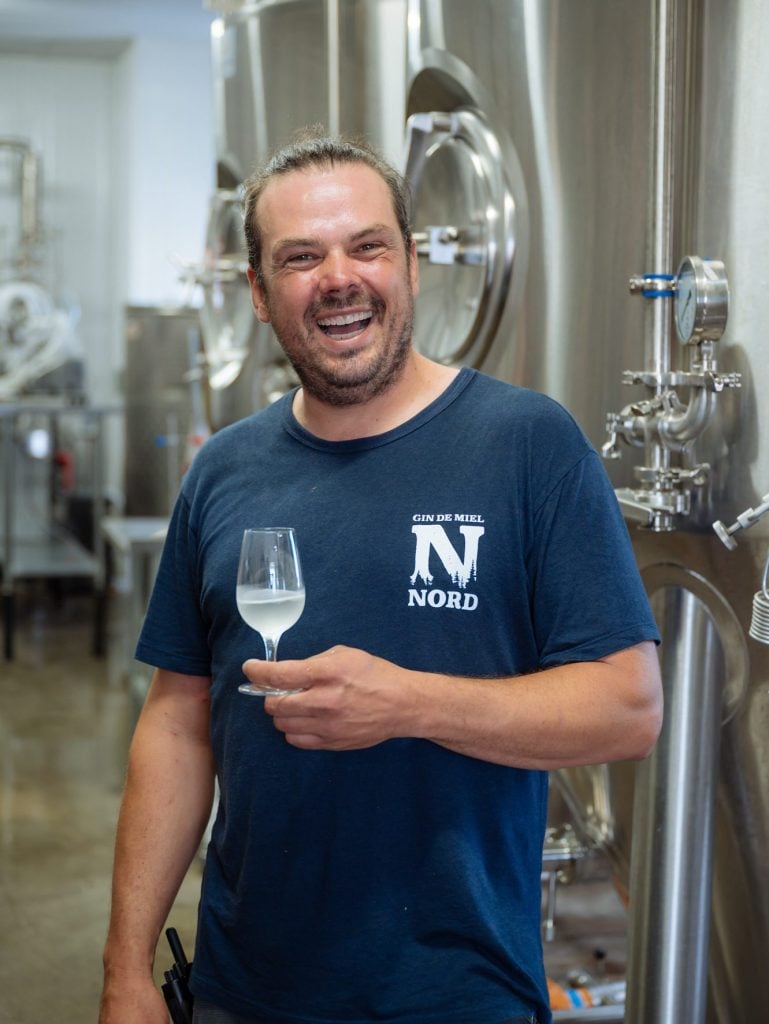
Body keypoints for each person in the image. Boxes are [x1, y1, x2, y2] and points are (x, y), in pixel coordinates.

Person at [99, 132, 662, 1024]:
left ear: (408, 263)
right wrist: (126, 968)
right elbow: (177, 724)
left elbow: (626, 708)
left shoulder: (526, 444)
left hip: (458, 995)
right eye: (299, 257)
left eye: (367, 246)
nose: (338, 278)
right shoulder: (225, 471)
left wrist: (405, 704)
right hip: (244, 991)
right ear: (255, 291)